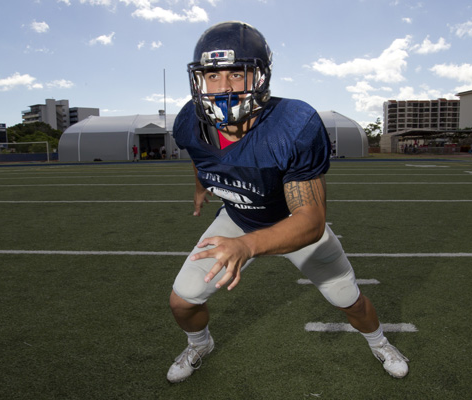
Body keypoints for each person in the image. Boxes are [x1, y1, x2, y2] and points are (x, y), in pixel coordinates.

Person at [167, 21, 409, 384]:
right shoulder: (189, 120)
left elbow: (310, 221)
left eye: (237, 73)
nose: (224, 87)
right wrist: (201, 183)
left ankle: (379, 342)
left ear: (261, 77)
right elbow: (199, 155)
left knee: (349, 299)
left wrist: (246, 246)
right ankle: (200, 344)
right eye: (213, 76)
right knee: (182, 302)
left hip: (290, 224)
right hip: (238, 219)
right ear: (199, 79)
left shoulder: (293, 125)